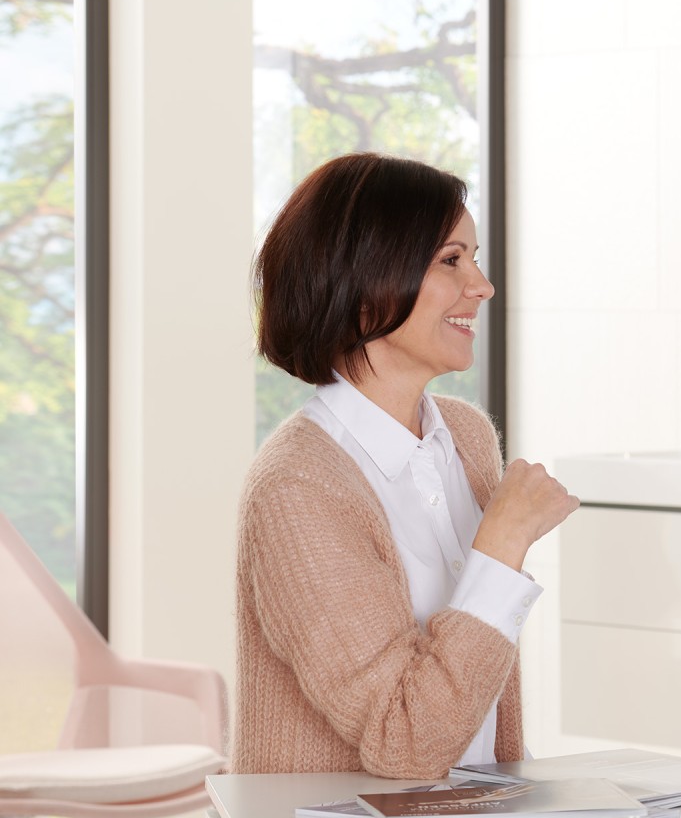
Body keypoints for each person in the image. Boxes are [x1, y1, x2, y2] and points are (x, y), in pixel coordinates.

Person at [235, 153, 579, 778]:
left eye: (474, 257)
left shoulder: (468, 436)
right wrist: (502, 543)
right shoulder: (298, 487)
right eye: (451, 260)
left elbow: (476, 710)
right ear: (366, 281)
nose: (482, 285)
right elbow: (408, 743)